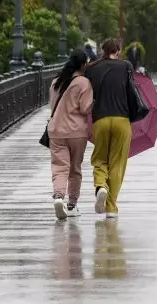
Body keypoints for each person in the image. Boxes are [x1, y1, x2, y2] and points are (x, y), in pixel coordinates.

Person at [85, 38, 135, 219]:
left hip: (101, 120)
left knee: (99, 159)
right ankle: (111, 207)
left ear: (102, 50)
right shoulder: (126, 66)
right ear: (119, 50)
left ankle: (100, 186)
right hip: (122, 120)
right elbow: (131, 92)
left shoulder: (91, 69)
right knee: (117, 163)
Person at [48, 50, 93, 219]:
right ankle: (72, 205)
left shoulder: (55, 82)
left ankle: (58, 196)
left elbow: (52, 106)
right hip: (76, 132)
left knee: (59, 167)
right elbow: (85, 108)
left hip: (56, 131)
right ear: (83, 64)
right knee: (75, 169)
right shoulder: (83, 83)